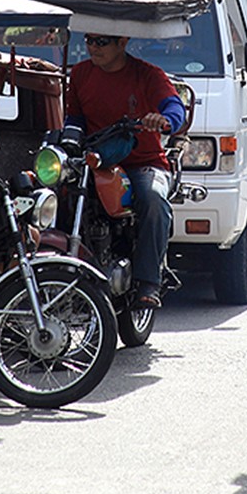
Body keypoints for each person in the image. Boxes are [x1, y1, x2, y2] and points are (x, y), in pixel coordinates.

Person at [65, 32, 186, 309]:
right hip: (97, 162)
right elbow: (74, 117)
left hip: (144, 163)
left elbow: (174, 107)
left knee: (153, 199)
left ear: (122, 42)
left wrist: (165, 120)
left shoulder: (148, 75)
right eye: (89, 40)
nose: (93, 47)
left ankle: (149, 281)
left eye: (101, 41)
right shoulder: (81, 73)